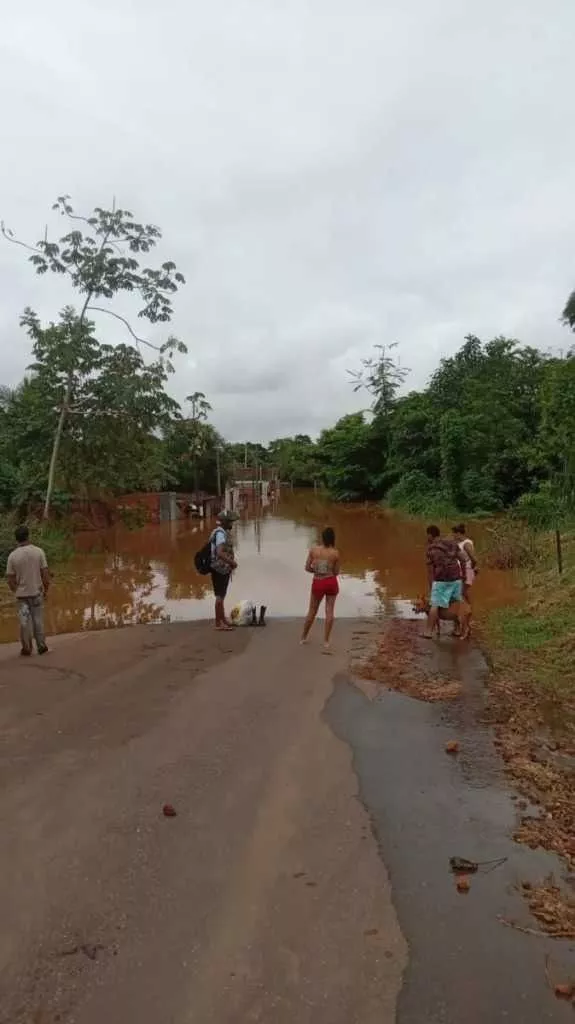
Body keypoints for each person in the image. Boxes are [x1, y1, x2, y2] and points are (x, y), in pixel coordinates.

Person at [5, 525, 50, 656]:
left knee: (24, 622)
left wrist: (16, 590)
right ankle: (41, 646)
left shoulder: (12, 556)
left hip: (22, 596)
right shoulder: (39, 552)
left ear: (16, 539)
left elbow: (10, 579)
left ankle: (27, 649)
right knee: (38, 620)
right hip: (36, 593)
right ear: (28, 536)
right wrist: (46, 590)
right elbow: (45, 574)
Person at [300, 527, 340, 652]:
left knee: (312, 610)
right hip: (330, 582)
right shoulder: (335, 553)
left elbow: (307, 567)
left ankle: (303, 637)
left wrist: (315, 570)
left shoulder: (314, 550)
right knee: (329, 611)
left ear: (322, 538)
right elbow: (336, 572)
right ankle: (326, 641)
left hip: (318, 582)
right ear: (333, 538)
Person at [423, 525, 466, 639]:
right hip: (456, 578)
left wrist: (431, 586)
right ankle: (457, 630)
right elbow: (463, 559)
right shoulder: (451, 543)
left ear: (430, 535)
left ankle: (428, 632)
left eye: (427, 535)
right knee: (456, 604)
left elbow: (430, 571)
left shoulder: (430, 549)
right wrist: (464, 575)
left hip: (441, 580)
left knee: (435, 605)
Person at [210, 511, 237, 631]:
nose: (232, 523)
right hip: (219, 569)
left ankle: (222, 619)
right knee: (220, 596)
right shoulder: (220, 534)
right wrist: (232, 562)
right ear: (225, 522)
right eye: (230, 521)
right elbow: (219, 552)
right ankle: (218, 623)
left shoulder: (221, 532)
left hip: (222, 568)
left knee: (222, 595)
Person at [452, 523, 478, 601]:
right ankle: (468, 609)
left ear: (458, 533)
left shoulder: (466, 543)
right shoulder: (459, 543)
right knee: (462, 592)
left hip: (466, 570)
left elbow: (474, 558)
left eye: (454, 534)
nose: (453, 536)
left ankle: (466, 609)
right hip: (460, 571)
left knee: (460, 592)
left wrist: (473, 567)